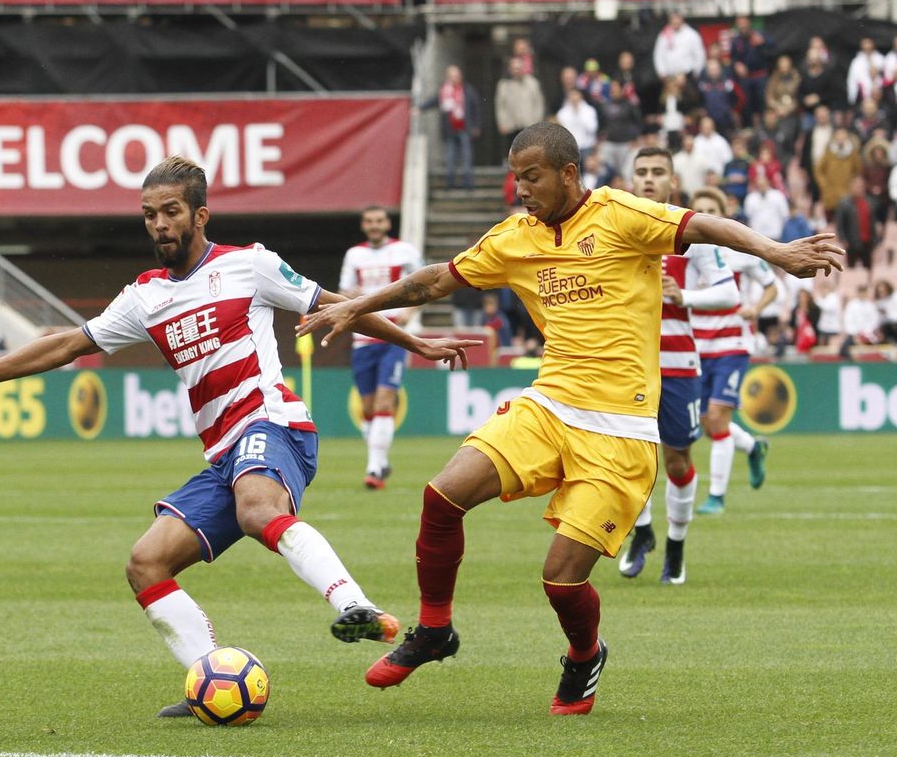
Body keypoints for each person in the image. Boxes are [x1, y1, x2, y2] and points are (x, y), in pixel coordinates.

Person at [299, 122, 841, 715]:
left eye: (532, 177)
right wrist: (358, 304)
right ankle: (434, 630)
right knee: (442, 495)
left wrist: (776, 251)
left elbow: (702, 224)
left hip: (622, 431)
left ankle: (585, 654)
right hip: (550, 405)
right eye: (515, 178)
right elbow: (433, 281)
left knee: (560, 579)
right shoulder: (514, 238)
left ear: (568, 173)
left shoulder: (621, 215)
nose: (522, 190)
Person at [0, 155, 480, 717]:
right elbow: (67, 344)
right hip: (224, 455)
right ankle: (210, 678)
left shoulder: (250, 265)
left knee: (258, 510)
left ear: (200, 215)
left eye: (171, 211)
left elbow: (339, 305)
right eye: (149, 214)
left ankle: (357, 606)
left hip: (273, 423)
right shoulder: (144, 297)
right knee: (146, 562)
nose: (159, 224)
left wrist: (416, 343)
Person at [617, 149, 739, 585]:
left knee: (676, 462)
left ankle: (676, 545)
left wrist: (684, 296)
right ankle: (643, 531)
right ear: (631, 181)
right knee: (628, 459)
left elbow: (728, 293)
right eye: (641, 172)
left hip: (678, 364)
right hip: (627, 363)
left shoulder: (691, 232)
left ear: (673, 181)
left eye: (657, 172)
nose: (648, 179)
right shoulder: (614, 230)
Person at [687, 186, 778, 515]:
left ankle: (716, 496)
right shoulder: (682, 251)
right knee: (705, 423)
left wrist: (756, 308)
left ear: (723, 214)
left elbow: (771, 287)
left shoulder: (739, 251)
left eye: (712, 210)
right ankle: (753, 447)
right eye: (700, 210)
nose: (706, 216)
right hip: (695, 345)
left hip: (732, 344)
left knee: (716, 417)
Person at [337, 205, 422, 490]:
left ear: (387, 224)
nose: (374, 225)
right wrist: (351, 295)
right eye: (370, 221)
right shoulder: (354, 254)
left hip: (393, 335)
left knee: (385, 401)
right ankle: (381, 461)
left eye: (379, 220)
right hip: (363, 337)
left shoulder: (405, 251)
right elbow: (344, 292)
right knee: (368, 407)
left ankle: (373, 469)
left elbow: (424, 286)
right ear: (364, 225)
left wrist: (410, 313)